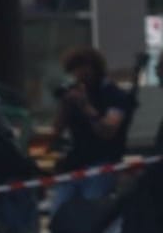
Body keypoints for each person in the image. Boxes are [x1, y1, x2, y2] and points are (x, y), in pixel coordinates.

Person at [50, 45, 134, 210]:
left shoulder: (114, 95)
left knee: (92, 212)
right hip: (74, 164)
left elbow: (108, 131)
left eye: (80, 68)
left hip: (102, 164)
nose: (77, 75)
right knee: (59, 212)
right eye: (73, 70)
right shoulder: (77, 94)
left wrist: (86, 107)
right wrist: (65, 106)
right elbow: (57, 130)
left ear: (92, 67)